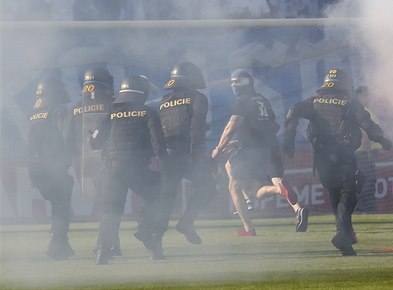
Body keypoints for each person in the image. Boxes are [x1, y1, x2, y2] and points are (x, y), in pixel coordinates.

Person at [283, 69, 392, 256]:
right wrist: (384, 141)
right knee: (351, 190)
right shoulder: (349, 103)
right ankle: (342, 234)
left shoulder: (314, 101)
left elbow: (293, 111)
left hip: (321, 160)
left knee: (335, 192)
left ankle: (346, 236)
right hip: (342, 157)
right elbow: (367, 125)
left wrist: (289, 139)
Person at [212, 69, 309, 236]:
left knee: (233, 185)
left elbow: (231, 126)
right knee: (256, 190)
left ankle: (248, 228)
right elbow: (270, 124)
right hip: (267, 148)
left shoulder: (241, 101)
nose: (233, 86)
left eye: (234, 83)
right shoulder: (262, 100)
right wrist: (240, 141)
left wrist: (219, 148)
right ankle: (278, 191)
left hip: (251, 149)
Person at [89, 75, 166, 264]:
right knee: (156, 195)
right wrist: (163, 163)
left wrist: (92, 136)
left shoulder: (111, 113)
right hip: (137, 168)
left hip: (114, 169)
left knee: (111, 211)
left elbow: (95, 143)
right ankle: (146, 232)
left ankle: (103, 253)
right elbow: (158, 142)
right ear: (142, 92)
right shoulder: (147, 112)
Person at [157, 62, 215, 245]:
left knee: (166, 197)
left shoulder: (164, 101)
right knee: (208, 187)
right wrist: (196, 152)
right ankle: (187, 222)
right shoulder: (198, 98)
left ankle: (154, 241)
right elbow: (196, 126)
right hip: (188, 154)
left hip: (168, 156)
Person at [71, 67, 120, 256]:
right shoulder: (114, 104)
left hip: (87, 164)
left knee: (105, 202)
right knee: (111, 204)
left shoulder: (76, 107)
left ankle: (112, 243)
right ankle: (105, 243)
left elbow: (68, 137)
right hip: (109, 160)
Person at [27, 76, 75, 260]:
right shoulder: (58, 111)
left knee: (59, 204)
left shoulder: (33, 114)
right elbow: (67, 137)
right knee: (61, 204)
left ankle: (63, 244)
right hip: (53, 167)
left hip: (35, 169)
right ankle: (57, 245)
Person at [354, 86, 383, 213]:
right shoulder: (361, 111)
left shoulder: (359, 110)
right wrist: (369, 152)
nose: (368, 98)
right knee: (367, 182)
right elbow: (364, 134)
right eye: (366, 95)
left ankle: (361, 209)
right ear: (359, 96)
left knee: (363, 182)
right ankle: (367, 209)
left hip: (363, 153)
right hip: (363, 154)